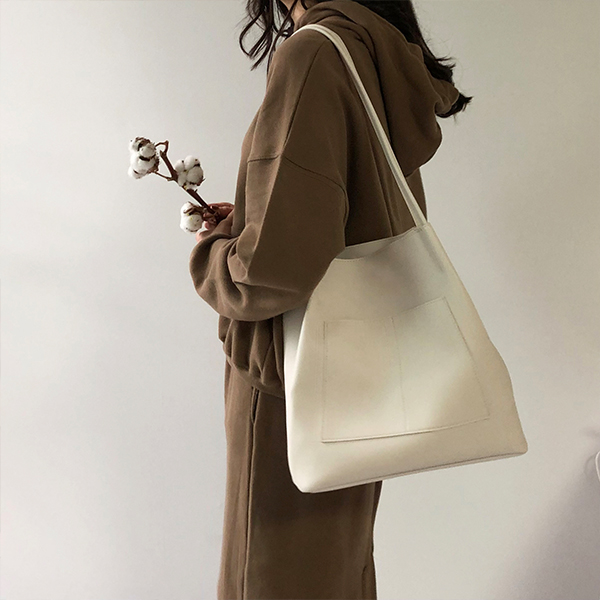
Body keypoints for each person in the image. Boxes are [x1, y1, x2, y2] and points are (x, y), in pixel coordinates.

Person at [189, 1, 472, 598]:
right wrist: (255, 217)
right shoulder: (377, 51)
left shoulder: (314, 52)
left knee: (273, 579)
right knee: (336, 572)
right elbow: (346, 215)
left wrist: (214, 254)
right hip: (359, 375)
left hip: (291, 384)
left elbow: (267, 274)